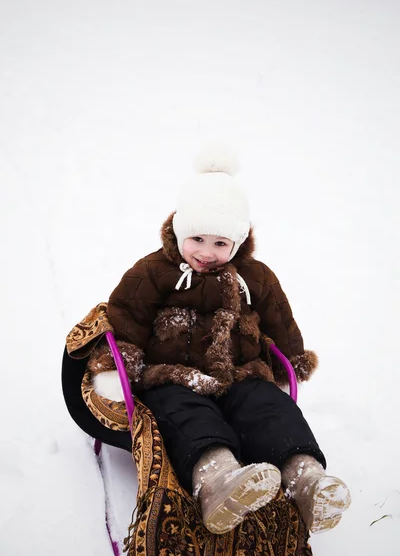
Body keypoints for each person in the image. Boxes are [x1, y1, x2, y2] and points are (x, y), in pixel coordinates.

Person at [88, 149, 351, 535]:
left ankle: (305, 479)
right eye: (196, 238)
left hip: (241, 374)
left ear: (239, 241)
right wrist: (120, 367)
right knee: (187, 416)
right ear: (178, 229)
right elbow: (127, 315)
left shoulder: (256, 276)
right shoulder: (152, 271)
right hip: (173, 377)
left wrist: (290, 359)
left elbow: (280, 318)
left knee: (270, 408)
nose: (207, 254)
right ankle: (218, 480)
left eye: (221, 243)